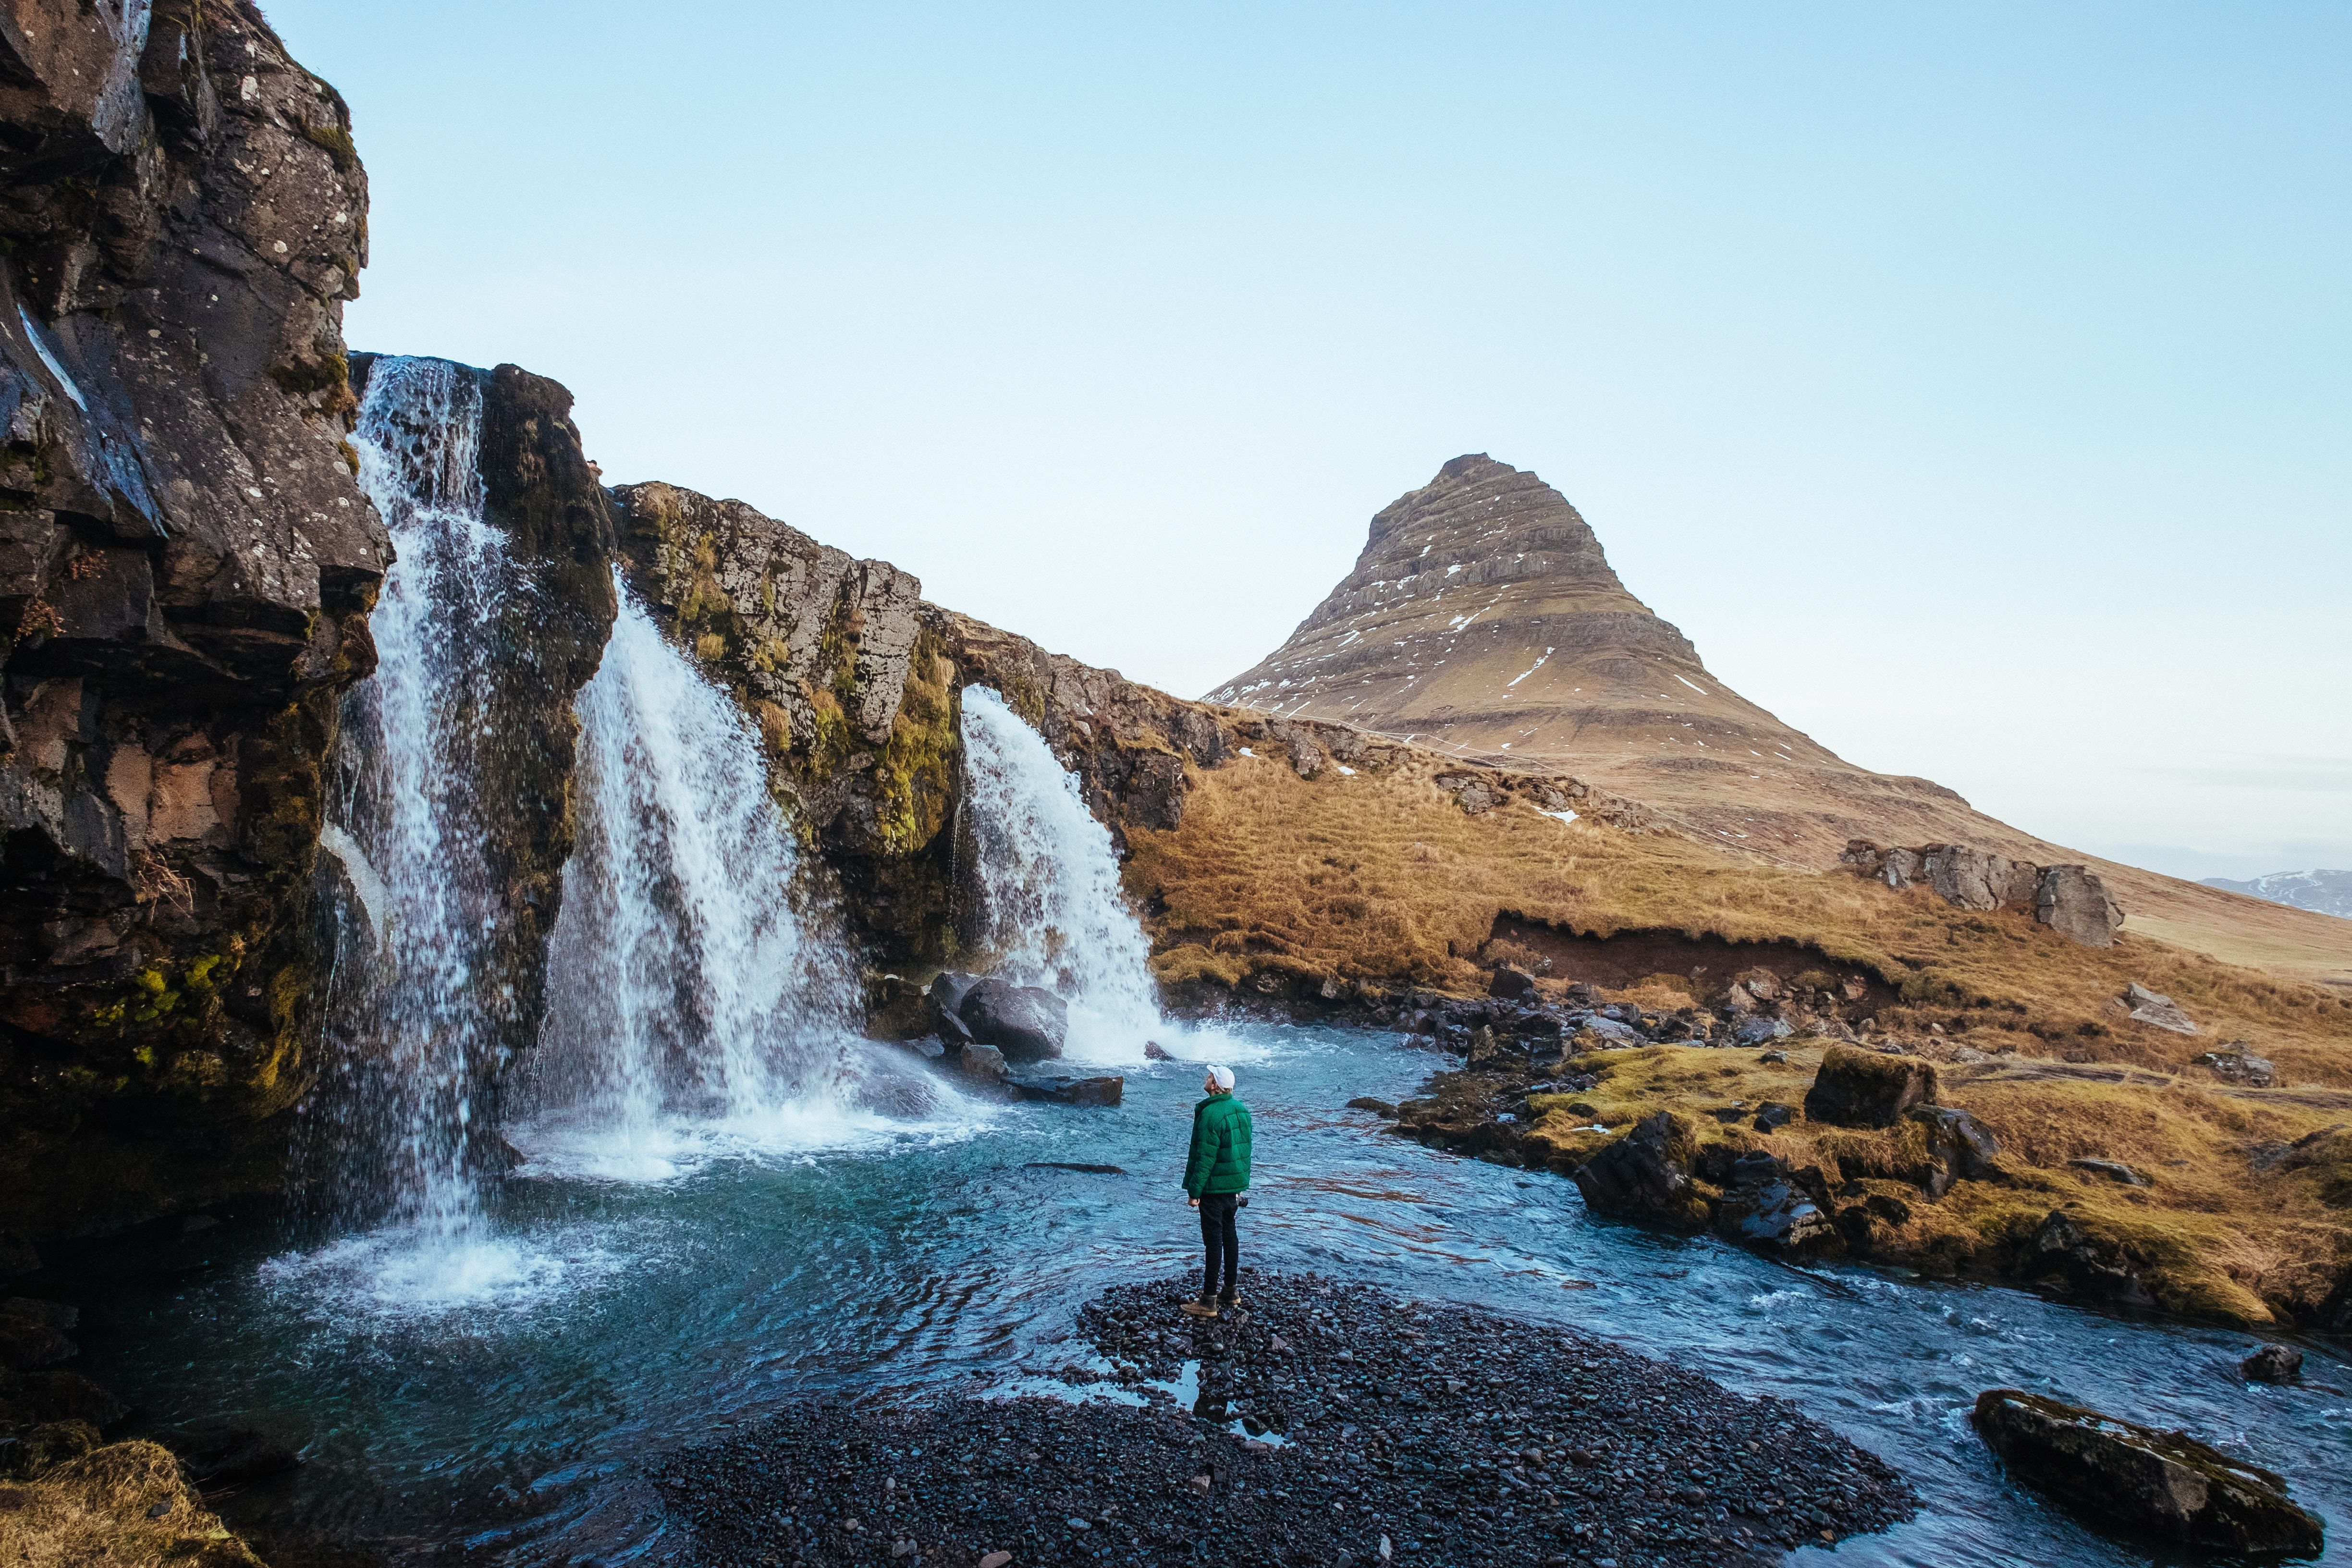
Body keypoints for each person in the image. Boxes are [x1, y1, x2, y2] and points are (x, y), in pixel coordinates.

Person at [1180, 1063, 1252, 1318]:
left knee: (1213, 1242)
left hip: (1213, 1188)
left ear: (1217, 1086)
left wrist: (1194, 1191)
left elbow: (1206, 1158)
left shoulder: (1211, 1115)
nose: (1207, 1078)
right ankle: (1231, 1292)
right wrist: (1241, 1183)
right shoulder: (1241, 1110)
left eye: (1210, 1076)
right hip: (1233, 1186)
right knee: (1230, 1236)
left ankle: (1208, 1300)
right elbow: (1244, 1151)